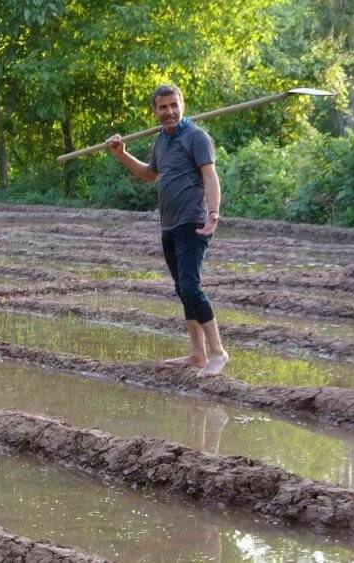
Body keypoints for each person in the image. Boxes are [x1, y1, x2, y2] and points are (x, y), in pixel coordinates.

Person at [106, 84, 230, 377]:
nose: (169, 111)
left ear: (182, 106)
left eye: (174, 105)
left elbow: (210, 176)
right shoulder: (160, 141)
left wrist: (213, 212)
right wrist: (122, 154)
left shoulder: (196, 137)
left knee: (190, 286)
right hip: (169, 223)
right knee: (182, 289)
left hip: (192, 221)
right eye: (163, 107)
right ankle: (197, 354)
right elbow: (149, 175)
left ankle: (218, 352)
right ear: (156, 111)